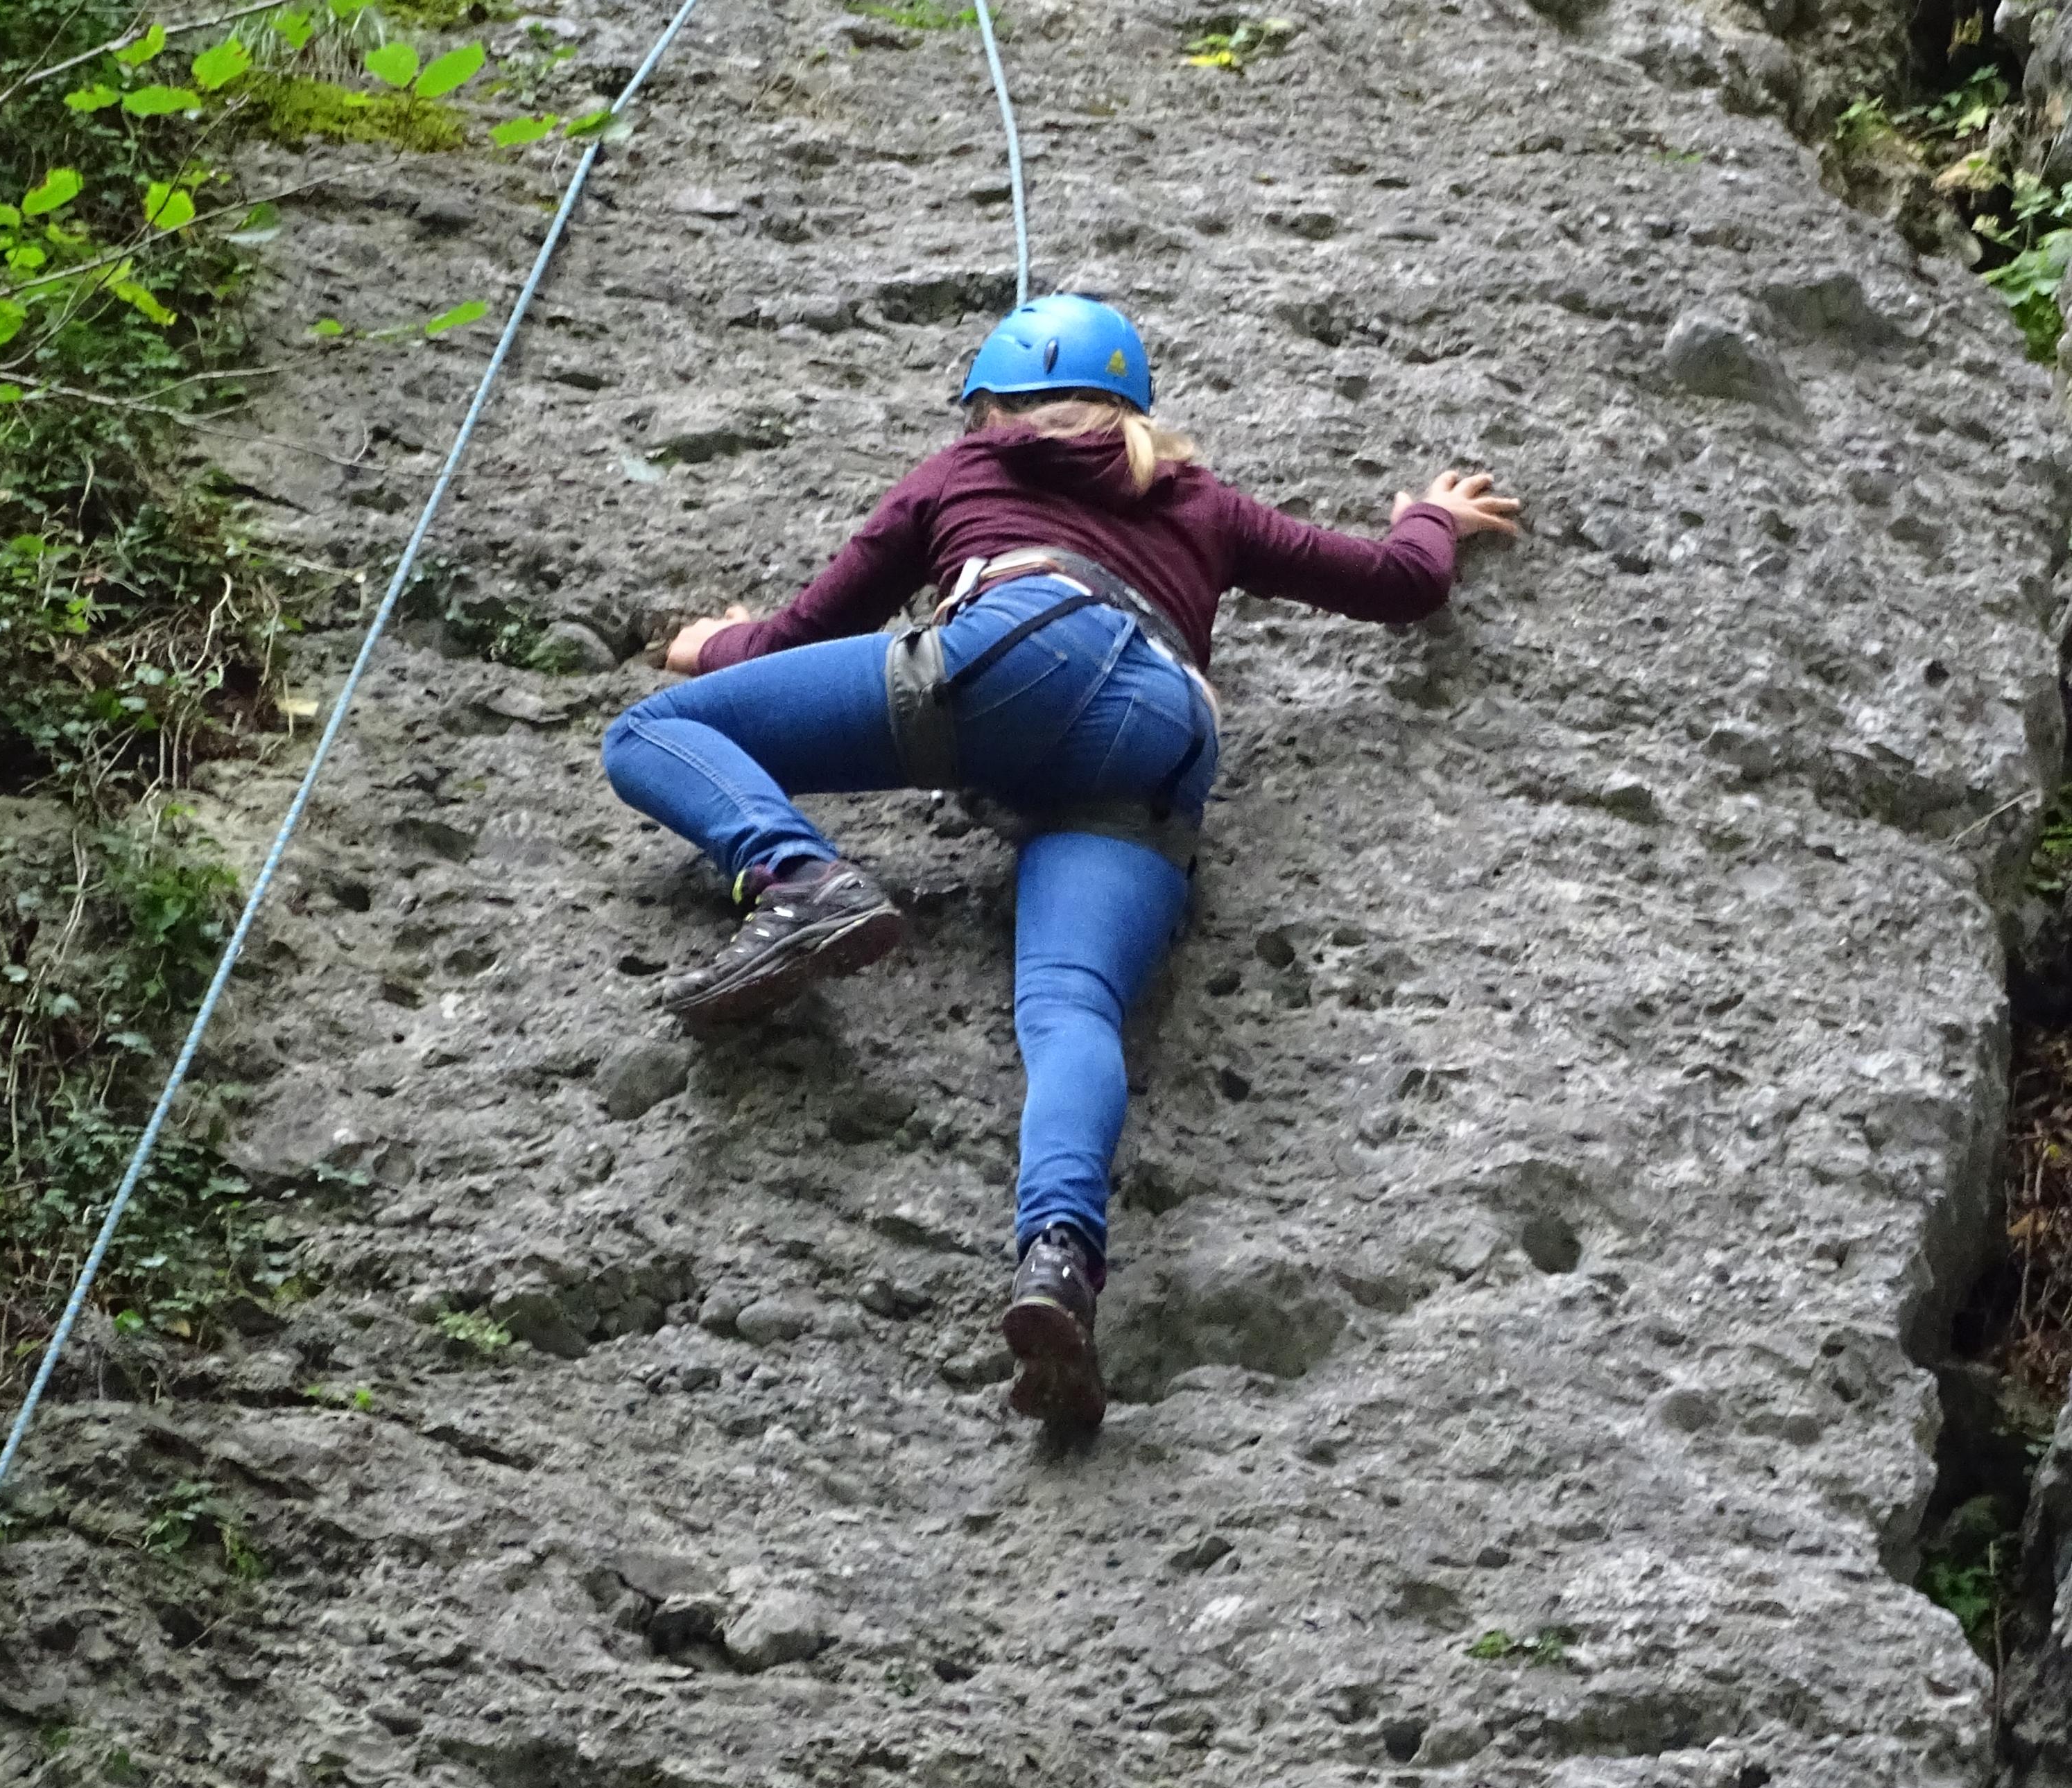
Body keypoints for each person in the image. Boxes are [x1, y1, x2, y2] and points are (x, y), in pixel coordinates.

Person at [601, 295, 1517, 1437]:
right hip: (1165, 732)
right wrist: (1431, 518)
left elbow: (798, 638)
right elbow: (1400, 584)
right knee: (1071, 1013)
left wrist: (708, 644)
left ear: (988, 406)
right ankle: (1059, 1265)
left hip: (1020, 652)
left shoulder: (963, 469)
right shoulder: (1200, 498)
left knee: (650, 733)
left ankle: (798, 879)